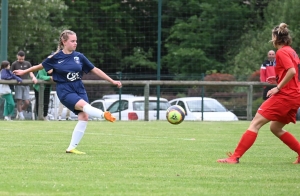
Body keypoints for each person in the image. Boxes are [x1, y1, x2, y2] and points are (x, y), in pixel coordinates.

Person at [13, 30, 122, 154]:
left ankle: (71, 148)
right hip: (65, 90)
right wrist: (23, 72)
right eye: (72, 41)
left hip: (79, 88)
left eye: (76, 41)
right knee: (84, 106)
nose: (75, 43)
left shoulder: (79, 56)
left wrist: (111, 80)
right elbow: (39, 66)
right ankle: (103, 115)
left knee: (84, 116)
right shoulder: (55, 57)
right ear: (64, 42)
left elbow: (95, 69)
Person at [217, 23, 300, 164]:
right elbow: (293, 72)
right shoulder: (291, 51)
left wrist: (278, 87)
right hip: (295, 95)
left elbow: (292, 71)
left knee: (255, 123)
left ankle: (234, 157)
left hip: (285, 96)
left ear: (275, 38)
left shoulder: (281, 52)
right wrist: (278, 78)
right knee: (276, 128)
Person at [11, 50, 37, 120]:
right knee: (19, 100)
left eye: (22, 59)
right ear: (17, 57)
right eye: (20, 59)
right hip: (18, 84)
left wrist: (33, 77)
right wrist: (17, 79)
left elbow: (30, 72)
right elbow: (12, 74)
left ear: (24, 57)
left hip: (26, 85)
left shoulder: (27, 64)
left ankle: (20, 112)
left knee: (27, 102)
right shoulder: (14, 64)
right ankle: (21, 116)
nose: (21, 60)